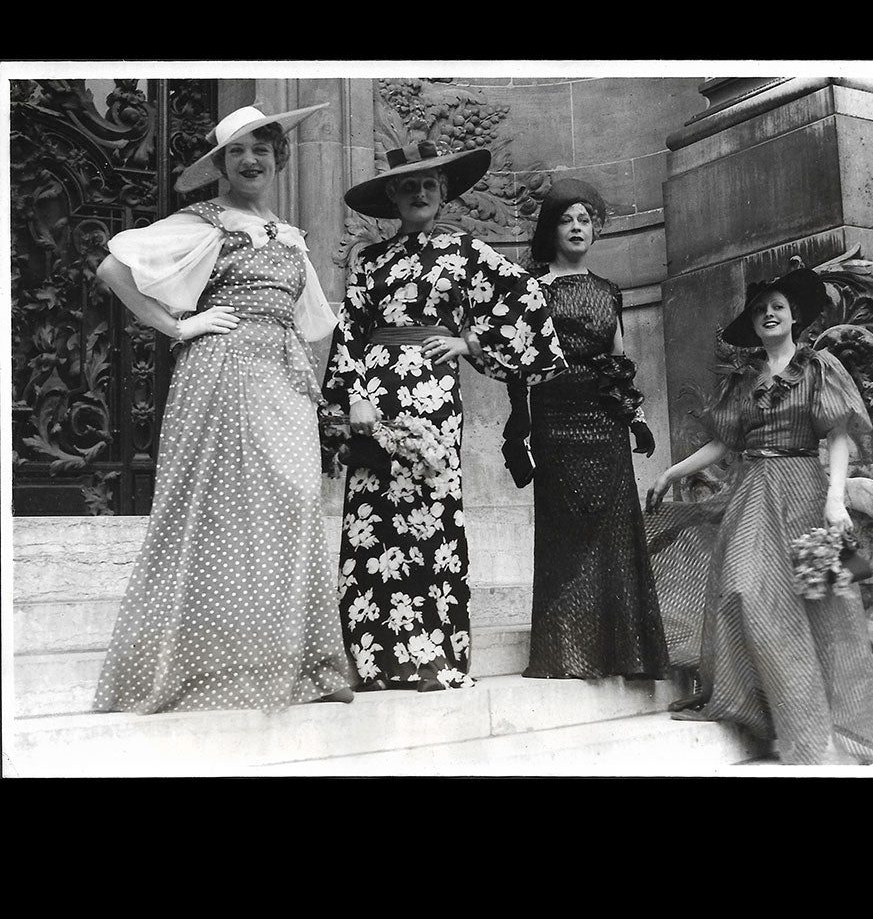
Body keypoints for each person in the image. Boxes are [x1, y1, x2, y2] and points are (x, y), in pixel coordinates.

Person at [93, 103, 357, 714]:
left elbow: (311, 320)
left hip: (282, 380)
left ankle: (311, 664)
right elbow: (113, 267)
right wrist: (180, 328)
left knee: (292, 509)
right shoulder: (205, 221)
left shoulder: (290, 235)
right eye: (236, 152)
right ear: (221, 165)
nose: (250, 160)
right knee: (221, 517)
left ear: (279, 157)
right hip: (221, 374)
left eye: (261, 147)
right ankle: (205, 670)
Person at [322, 141, 566, 692]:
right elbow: (349, 332)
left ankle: (432, 658)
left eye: (429, 184)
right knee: (373, 516)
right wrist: (356, 394)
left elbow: (523, 295)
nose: (419, 194)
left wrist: (468, 341)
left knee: (430, 515)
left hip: (433, 395)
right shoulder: (372, 261)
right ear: (392, 194)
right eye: (407, 186)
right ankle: (372, 661)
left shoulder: (464, 251)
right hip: (376, 392)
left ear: (443, 191)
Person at [645, 268, 873, 765]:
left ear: (795, 317)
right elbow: (724, 443)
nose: (768, 312)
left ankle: (839, 735)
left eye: (778, 306)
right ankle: (778, 717)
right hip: (753, 498)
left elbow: (837, 437)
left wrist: (835, 498)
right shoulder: (744, 380)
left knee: (827, 607)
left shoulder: (819, 367)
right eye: (760, 307)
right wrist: (669, 473)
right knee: (744, 588)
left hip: (808, 492)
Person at [501, 179, 669, 680]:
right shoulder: (529, 288)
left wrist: (634, 419)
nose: (577, 227)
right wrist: (521, 430)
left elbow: (619, 361)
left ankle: (625, 653)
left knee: (613, 530)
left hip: (603, 422)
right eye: (567, 219)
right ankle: (565, 653)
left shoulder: (608, 290)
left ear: (594, 230)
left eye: (585, 220)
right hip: (555, 418)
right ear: (550, 229)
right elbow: (517, 362)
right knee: (566, 533)